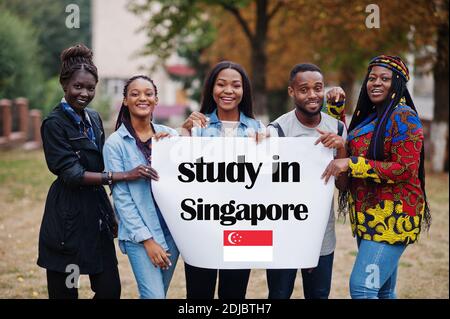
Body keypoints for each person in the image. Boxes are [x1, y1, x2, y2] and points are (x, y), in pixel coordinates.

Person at [38, 44, 157, 299]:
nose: (84, 93)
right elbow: (71, 174)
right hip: (66, 216)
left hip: (96, 214)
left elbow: (98, 164)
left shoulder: (93, 119)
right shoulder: (54, 124)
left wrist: (111, 213)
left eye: (90, 88)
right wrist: (123, 175)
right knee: (65, 293)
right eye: (77, 87)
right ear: (64, 84)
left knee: (110, 290)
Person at [322, 55, 431, 299]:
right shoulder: (372, 116)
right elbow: (352, 144)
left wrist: (352, 164)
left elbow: (404, 168)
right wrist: (337, 111)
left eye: (384, 78)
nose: (376, 83)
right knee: (382, 291)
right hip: (368, 218)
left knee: (362, 288)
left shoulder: (404, 117)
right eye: (371, 78)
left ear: (398, 84)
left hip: (393, 219)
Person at [181, 61, 264, 299]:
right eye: (221, 84)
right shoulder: (197, 127)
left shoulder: (258, 129)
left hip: (244, 225)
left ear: (244, 91)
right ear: (211, 89)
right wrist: (184, 133)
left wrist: (268, 144)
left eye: (235, 85)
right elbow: (181, 171)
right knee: (199, 295)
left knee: (234, 295)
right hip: (202, 225)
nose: (228, 91)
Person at [266, 63, 347, 299]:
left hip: (322, 232)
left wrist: (342, 149)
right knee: (279, 294)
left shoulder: (338, 128)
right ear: (292, 92)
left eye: (318, 88)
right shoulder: (278, 129)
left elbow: (342, 186)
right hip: (284, 231)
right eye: (304, 89)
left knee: (319, 295)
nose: (312, 95)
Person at [103, 75, 179, 299]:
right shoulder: (115, 144)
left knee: (158, 295)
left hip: (171, 231)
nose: (142, 98)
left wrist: (172, 147)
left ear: (156, 100)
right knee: (154, 297)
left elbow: (184, 179)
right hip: (140, 235)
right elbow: (122, 199)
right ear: (125, 100)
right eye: (134, 94)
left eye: (148, 93)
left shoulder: (169, 135)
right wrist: (148, 241)